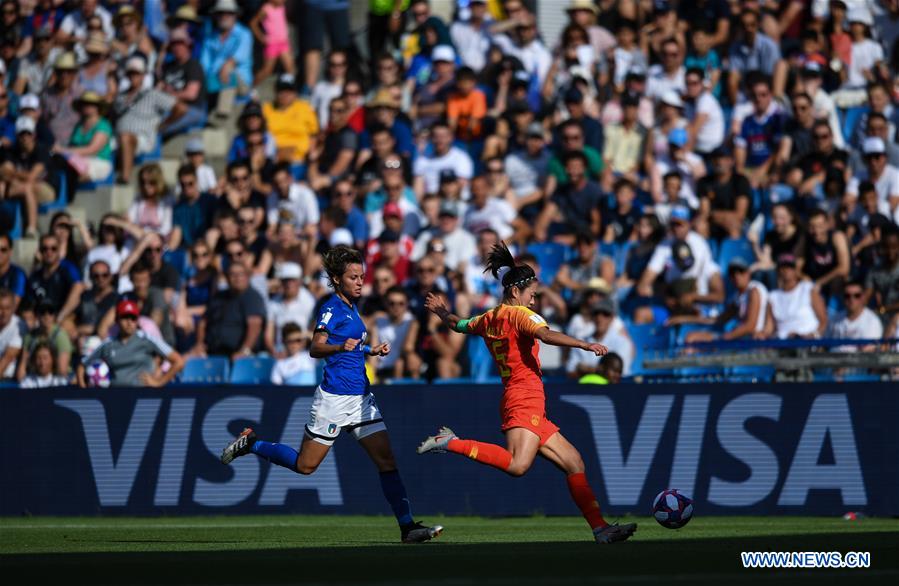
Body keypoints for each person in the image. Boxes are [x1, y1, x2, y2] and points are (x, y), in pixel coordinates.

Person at [221, 245, 442, 544]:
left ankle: (407, 528)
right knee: (306, 466)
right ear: (337, 279)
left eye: (362, 276)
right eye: (353, 277)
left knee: (387, 461)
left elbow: (348, 345)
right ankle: (252, 444)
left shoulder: (351, 307)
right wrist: (340, 347)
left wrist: (369, 349)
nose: (361, 282)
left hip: (361, 398)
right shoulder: (331, 308)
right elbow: (316, 346)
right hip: (334, 400)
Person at [418, 242, 635, 544]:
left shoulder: (488, 318)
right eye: (532, 290)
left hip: (524, 398)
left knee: (574, 462)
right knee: (518, 465)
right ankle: (452, 443)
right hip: (524, 397)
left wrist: (442, 312)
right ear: (516, 290)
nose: (535, 296)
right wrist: (584, 345)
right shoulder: (521, 315)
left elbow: (459, 324)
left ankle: (601, 529)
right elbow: (545, 334)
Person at [77, 299, 184, 387]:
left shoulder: (147, 339)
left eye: (133, 318)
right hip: (114, 399)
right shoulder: (108, 344)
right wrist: (84, 390)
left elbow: (178, 361)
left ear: (137, 320)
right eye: (124, 317)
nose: (129, 322)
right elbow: (82, 366)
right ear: (117, 320)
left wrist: (159, 382)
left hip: (142, 398)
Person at [566, 298, 635, 377]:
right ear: (592, 317)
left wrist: (585, 369)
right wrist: (602, 370)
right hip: (585, 387)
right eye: (596, 313)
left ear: (612, 318)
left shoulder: (623, 342)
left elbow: (619, 373)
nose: (600, 318)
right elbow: (570, 371)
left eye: (605, 314)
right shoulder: (581, 341)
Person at [764, 254, 827, 339]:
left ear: (796, 270)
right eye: (782, 267)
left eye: (790, 267)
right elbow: (769, 327)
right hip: (783, 344)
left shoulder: (808, 289)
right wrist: (762, 334)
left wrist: (812, 336)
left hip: (808, 343)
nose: (786, 270)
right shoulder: (772, 296)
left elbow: (823, 321)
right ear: (778, 270)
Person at [249, 0, 294, 86]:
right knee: (267, 70)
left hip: (283, 42)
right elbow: (253, 23)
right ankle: (251, 87)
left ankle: (289, 88)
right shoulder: (266, 9)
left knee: (290, 67)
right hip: (272, 44)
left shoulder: (282, 7)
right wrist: (261, 37)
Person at [830, 279, 884, 349]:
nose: (851, 299)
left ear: (863, 297)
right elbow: (823, 345)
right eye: (847, 296)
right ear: (842, 297)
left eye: (857, 295)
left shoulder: (872, 321)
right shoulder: (835, 318)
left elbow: (868, 351)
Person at [0, 287, 21, 379]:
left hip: (9, 382)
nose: (3, 313)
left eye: (7, 308)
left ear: (13, 308)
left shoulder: (19, 327)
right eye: (0, 308)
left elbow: (8, 358)